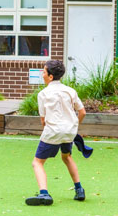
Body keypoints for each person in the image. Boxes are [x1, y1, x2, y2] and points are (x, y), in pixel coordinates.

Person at [26, 59, 87, 206]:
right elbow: (82, 112)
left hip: (53, 131)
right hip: (69, 131)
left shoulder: (43, 94)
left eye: (44, 71)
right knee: (66, 157)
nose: (42, 74)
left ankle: (44, 194)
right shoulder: (70, 91)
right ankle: (79, 190)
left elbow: (43, 120)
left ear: (51, 76)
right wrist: (73, 126)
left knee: (37, 162)